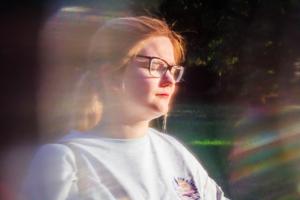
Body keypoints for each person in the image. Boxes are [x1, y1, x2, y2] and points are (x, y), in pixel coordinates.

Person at [23, 16, 229, 200]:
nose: (169, 80)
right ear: (110, 76)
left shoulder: (174, 151)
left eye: (172, 69)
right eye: (156, 66)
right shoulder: (64, 160)